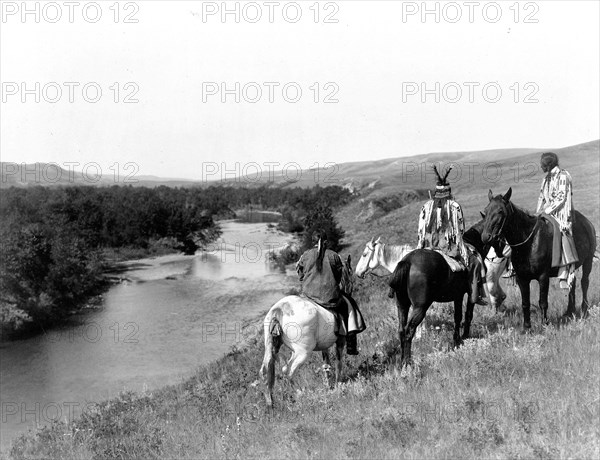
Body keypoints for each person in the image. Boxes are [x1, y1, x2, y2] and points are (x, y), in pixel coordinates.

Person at [416, 165, 487, 305]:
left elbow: (420, 230)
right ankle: (475, 295)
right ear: (449, 191)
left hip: (427, 243)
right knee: (475, 261)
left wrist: (421, 245)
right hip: (448, 245)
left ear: (436, 191)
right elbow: (459, 231)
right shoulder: (454, 206)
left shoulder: (426, 206)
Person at [296, 232, 366, 355]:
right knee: (350, 306)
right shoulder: (334, 256)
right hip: (328, 297)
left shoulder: (305, 255)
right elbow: (340, 277)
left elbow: (300, 276)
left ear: (312, 242)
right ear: (326, 242)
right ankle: (351, 344)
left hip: (308, 296)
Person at [535, 152, 578, 289]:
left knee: (562, 233)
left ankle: (564, 273)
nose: (541, 167)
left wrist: (547, 210)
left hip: (562, 214)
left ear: (547, 165)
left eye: (542, 164)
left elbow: (561, 198)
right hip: (547, 212)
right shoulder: (546, 179)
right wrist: (538, 212)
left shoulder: (563, 176)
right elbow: (541, 196)